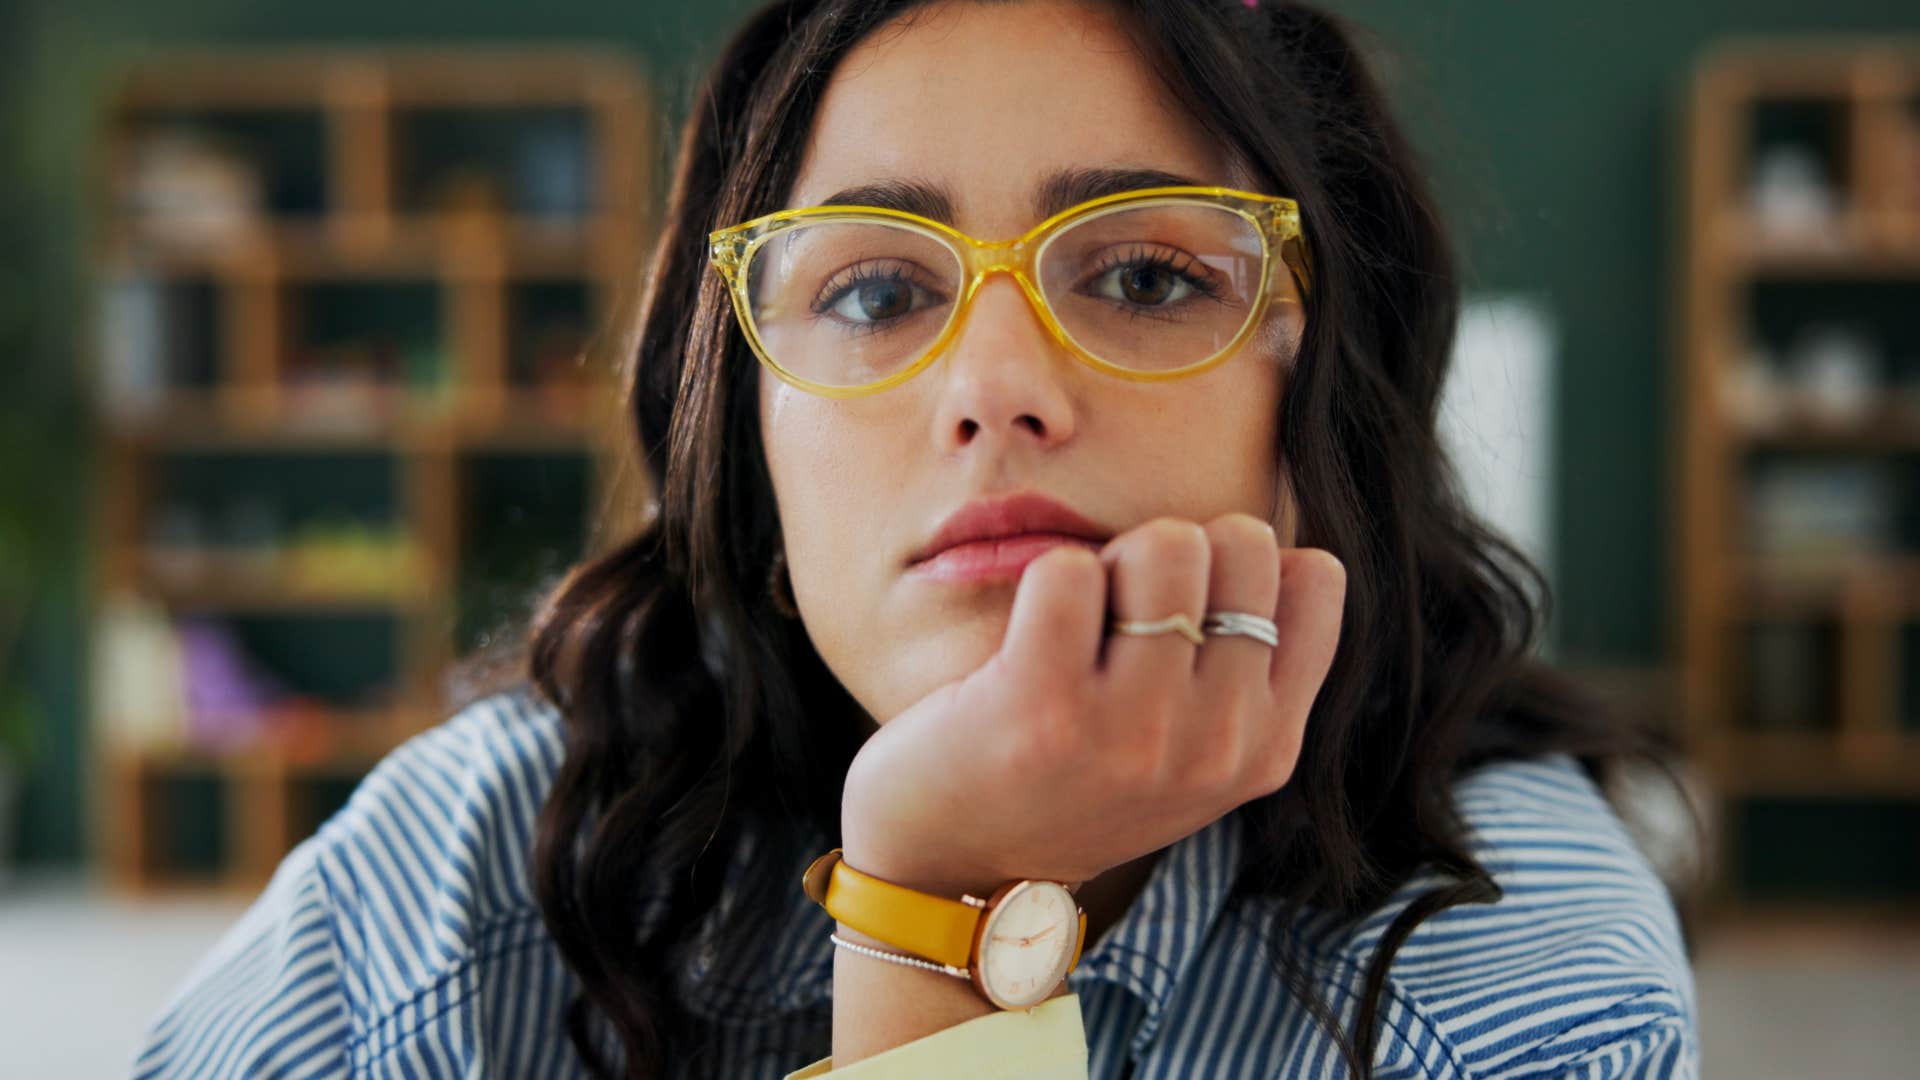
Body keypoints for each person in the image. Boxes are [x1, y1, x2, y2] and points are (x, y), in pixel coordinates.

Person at [129, 1, 1700, 1077]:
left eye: (1149, 277)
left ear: (1327, 389)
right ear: (743, 426)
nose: (995, 389)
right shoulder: (468, 880)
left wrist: (944, 916)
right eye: (874, 293)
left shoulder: (1512, 986)